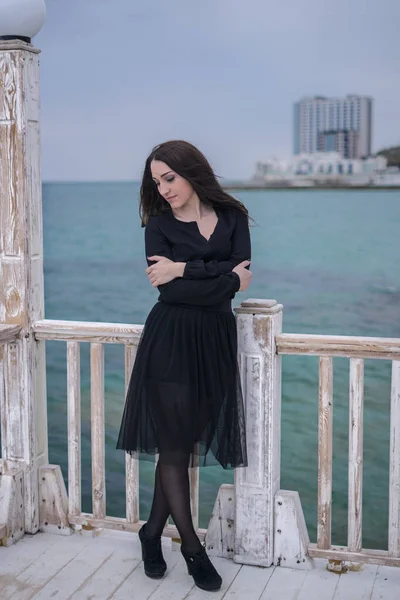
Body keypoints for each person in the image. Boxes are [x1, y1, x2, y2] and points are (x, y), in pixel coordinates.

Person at [117, 140, 252, 592]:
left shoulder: (234, 217)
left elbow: (236, 285)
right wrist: (212, 276)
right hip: (171, 340)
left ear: (191, 171)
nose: (163, 188)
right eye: (157, 181)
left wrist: (185, 270)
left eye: (169, 177)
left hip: (214, 340)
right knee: (175, 447)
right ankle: (193, 548)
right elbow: (172, 292)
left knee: (182, 443)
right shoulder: (157, 227)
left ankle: (151, 533)